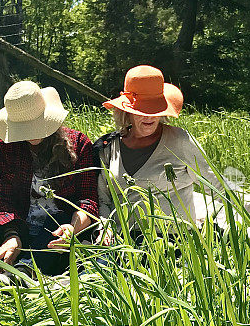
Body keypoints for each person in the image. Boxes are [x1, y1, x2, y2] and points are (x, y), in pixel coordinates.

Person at [0, 81, 98, 276]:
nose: (32, 134)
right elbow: (2, 198)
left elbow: (88, 199)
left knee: (57, 221)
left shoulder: (79, 143)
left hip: (60, 230)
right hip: (20, 225)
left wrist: (72, 229)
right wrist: (12, 235)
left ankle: (23, 273)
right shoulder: (2, 147)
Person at [95, 65, 224, 234]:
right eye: (141, 110)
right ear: (127, 112)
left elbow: (217, 187)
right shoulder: (109, 147)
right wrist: (106, 228)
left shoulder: (180, 141)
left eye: (155, 109)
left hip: (173, 242)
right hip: (123, 242)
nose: (149, 116)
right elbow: (102, 199)